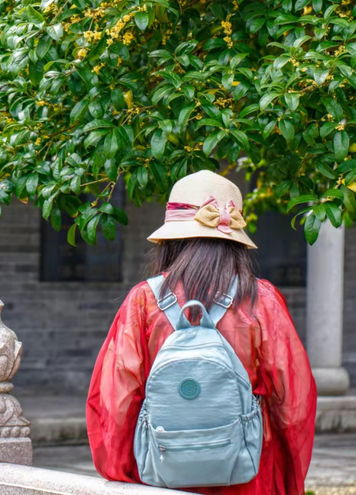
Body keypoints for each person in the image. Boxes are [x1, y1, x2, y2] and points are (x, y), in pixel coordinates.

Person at [87, 168, 318, 495]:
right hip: (248, 475)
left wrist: (126, 473)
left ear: (171, 239)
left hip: (163, 475)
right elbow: (293, 405)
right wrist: (286, 476)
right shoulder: (261, 300)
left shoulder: (144, 302)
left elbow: (114, 402)